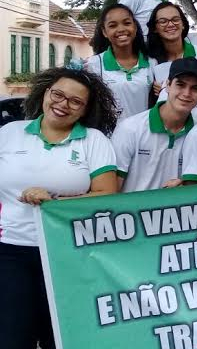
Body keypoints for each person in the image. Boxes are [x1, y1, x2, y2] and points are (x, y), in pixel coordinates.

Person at [0, 67, 118, 349]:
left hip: (67, 254)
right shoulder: (9, 133)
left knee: (61, 337)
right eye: (58, 95)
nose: (63, 104)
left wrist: (55, 202)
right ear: (45, 93)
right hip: (11, 249)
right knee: (12, 337)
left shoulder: (94, 141)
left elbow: (107, 194)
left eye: (75, 101)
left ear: (85, 110)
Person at [113, 58, 197, 192]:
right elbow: (112, 189)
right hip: (131, 212)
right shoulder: (130, 129)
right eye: (180, 85)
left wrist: (187, 186)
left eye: (195, 88)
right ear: (168, 85)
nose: (186, 93)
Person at [85, 3, 153, 120]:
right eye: (112, 25)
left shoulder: (151, 63)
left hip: (143, 134)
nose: (121, 29)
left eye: (127, 23)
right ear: (104, 32)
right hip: (110, 136)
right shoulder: (93, 65)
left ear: (135, 27)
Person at [146, 2, 197, 96]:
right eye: (163, 21)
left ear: (183, 24)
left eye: (175, 20)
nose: (170, 24)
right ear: (155, 28)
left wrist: (166, 90)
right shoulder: (149, 58)